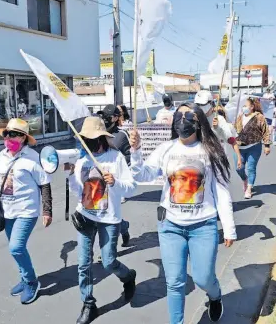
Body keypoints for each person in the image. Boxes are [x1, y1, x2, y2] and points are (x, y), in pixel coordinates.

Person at [129, 103, 236, 324]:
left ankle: (214, 296)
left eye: (188, 115)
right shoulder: (165, 149)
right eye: (179, 114)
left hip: (203, 226)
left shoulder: (211, 150)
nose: (182, 119)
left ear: (198, 121)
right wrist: (136, 151)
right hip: (170, 226)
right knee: (175, 282)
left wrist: (229, 227)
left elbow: (221, 191)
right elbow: (142, 175)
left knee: (203, 278)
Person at [66, 116, 137, 324]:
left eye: (92, 138)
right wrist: (71, 176)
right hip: (86, 217)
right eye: (85, 139)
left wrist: (115, 183)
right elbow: (78, 191)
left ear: (102, 138)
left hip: (109, 218)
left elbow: (131, 188)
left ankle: (128, 276)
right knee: (83, 263)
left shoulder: (116, 158)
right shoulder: (82, 161)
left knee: (108, 262)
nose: (88, 142)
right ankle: (88, 304)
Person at [0, 118, 52, 304]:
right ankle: (24, 278)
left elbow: (44, 184)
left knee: (16, 247)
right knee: (16, 249)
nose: (9, 137)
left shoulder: (32, 158)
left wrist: (47, 210)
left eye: (15, 134)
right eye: (7, 134)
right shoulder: (2, 155)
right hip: (7, 210)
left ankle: (32, 282)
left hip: (27, 210)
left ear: (24, 138)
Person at [100, 104, 132, 246]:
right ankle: (120, 229)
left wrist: (119, 170)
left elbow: (129, 156)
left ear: (116, 118)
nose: (105, 120)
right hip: (98, 178)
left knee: (111, 210)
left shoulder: (122, 135)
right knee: (102, 211)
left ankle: (119, 233)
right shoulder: (98, 133)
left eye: (108, 117)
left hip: (115, 179)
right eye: (104, 116)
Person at [195, 90, 242, 170]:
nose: (200, 106)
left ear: (210, 103)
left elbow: (230, 139)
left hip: (218, 160)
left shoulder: (219, 119)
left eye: (203, 104)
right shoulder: (196, 120)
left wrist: (239, 157)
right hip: (201, 161)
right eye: (198, 104)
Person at [234, 97, 271, 199]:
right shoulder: (239, 116)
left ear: (252, 107)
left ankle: (249, 189)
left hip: (254, 147)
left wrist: (267, 145)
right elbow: (233, 129)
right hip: (239, 147)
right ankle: (244, 179)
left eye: (246, 105)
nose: (244, 107)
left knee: (251, 168)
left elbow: (265, 131)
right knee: (239, 168)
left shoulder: (259, 117)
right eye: (243, 105)